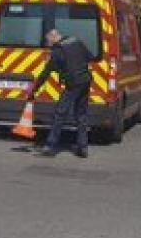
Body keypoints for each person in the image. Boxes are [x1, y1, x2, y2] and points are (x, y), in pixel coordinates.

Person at [25, 28, 94, 159]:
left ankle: (50, 146)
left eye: (48, 41)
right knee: (81, 114)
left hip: (73, 84)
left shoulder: (57, 52)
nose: (48, 44)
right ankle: (83, 147)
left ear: (53, 37)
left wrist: (33, 90)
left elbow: (45, 74)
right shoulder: (76, 41)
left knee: (60, 114)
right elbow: (90, 57)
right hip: (85, 81)